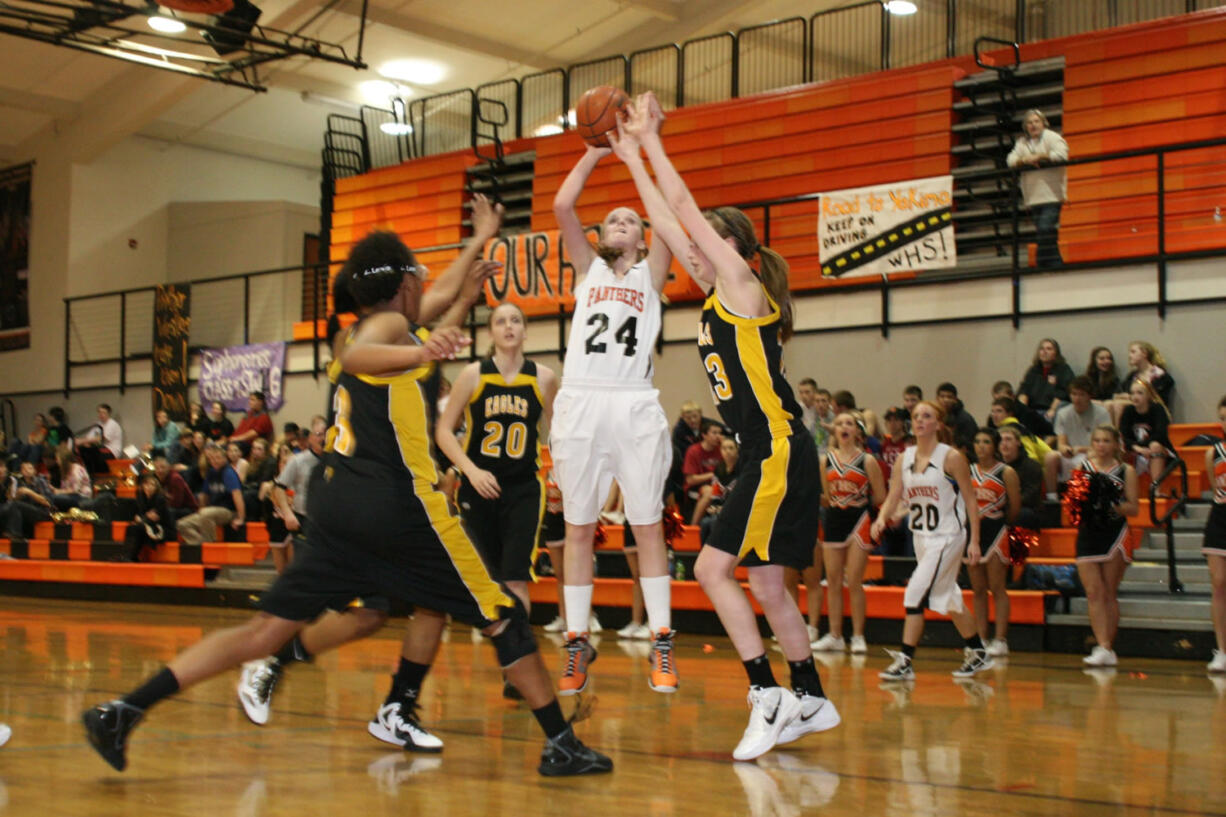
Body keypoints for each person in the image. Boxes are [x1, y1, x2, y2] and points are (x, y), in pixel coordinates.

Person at [83, 228, 611, 777]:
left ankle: (124, 709)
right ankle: (560, 743)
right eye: (418, 277)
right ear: (404, 283)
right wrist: (446, 316)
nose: (426, 287)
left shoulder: (382, 325)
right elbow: (376, 349)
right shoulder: (389, 330)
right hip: (399, 507)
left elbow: (420, 319)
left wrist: (470, 270)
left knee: (276, 629)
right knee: (505, 617)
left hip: (339, 508)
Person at [625, 91, 839, 759]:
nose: (694, 245)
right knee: (768, 584)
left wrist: (654, 138)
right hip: (770, 452)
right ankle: (808, 693)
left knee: (713, 569)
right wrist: (630, 154)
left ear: (734, 246)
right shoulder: (719, 293)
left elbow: (683, 208)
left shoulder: (745, 286)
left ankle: (765, 693)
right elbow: (667, 219)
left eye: (707, 239)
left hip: (776, 448)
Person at [549, 107, 682, 698]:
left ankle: (661, 641)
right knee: (578, 529)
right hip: (580, 403)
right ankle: (577, 643)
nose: (620, 222)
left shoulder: (652, 275)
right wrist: (596, 148)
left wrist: (639, 152)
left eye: (630, 219)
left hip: (632, 403)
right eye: (613, 219)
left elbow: (667, 216)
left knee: (648, 526)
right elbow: (561, 206)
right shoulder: (586, 268)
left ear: (643, 236)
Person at [435, 302, 558, 627]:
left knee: (516, 578)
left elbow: (561, 432)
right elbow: (443, 430)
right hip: (478, 488)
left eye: (515, 320)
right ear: (491, 331)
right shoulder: (473, 374)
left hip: (524, 489)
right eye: (501, 321)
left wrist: (563, 473)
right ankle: (505, 649)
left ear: (525, 330)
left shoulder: (543, 378)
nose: (508, 326)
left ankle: (517, 666)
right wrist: (470, 470)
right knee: (486, 580)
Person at [871, 401, 990, 681]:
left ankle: (905, 661)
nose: (920, 420)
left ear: (938, 423)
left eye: (927, 416)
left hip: (948, 536)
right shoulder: (905, 457)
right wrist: (881, 518)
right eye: (916, 416)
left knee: (914, 593)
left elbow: (972, 502)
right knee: (948, 596)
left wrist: (975, 541)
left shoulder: (951, 457)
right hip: (922, 538)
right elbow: (894, 494)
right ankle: (978, 651)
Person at [812, 413, 885, 655]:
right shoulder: (826, 460)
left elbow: (881, 497)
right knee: (832, 581)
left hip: (859, 521)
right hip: (833, 521)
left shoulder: (868, 461)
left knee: (853, 581)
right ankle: (835, 636)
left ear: (857, 431)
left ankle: (857, 636)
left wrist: (867, 515)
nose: (844, 427)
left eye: (849, 424)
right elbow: (826, 497)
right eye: (840, 423)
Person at [1073, 425, 1138, 667]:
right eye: (1097, 441)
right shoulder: (1083, 468)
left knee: (1108, 592)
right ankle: (1103, 647)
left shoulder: (1125, 470)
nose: (1101, 445)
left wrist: (1110, 504)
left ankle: (1106, 646)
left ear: (1115, 444)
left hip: (1114, 533)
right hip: (1088, 533)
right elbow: (1075, 506)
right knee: (1093, 592)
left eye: (1106, 441)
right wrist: (1085, 503)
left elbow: (1134, 508)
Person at [966, 428, 1021, 658]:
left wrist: (1003, 523)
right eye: (977, 441)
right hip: (972, 533)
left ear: (995, 445)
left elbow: (1015, 507)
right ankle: (981, 637)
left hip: (997, 531)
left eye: (986, 442)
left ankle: (1000, 639)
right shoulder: (967, 471)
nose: (981, 446)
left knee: (997, 588)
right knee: (977, 589)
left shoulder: (1006, 472)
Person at [1006, 108, 1068, 268]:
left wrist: (1041, 157)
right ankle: (1055, 264)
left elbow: (1061, 155)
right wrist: (1024, 160)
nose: (1033, 125)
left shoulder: (1053, 138)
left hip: (1052, 195)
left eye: (1036, 121)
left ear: (1043, 123)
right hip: (1033, 196)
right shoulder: (1022, 143)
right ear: (1025, 126)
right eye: (1029, 123)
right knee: (1045, 232)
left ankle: (1043, 264)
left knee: (1045, 229)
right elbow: (1011, 160)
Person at [267, 418, 326, 574]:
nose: (322, 438)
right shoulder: (298, 461)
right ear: (311, 438)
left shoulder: (336, 461)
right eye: (319, 434)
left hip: (327, 522)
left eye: (326, 434)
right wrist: (287, 514)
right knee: (302, 565)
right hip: (303, 519)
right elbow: (279, 488)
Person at [1043, 376, 1111, 498]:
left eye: (1081, 395)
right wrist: (1066, 450)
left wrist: (1080, 449)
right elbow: (1061, 444)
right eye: (1074, 394)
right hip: (1072, 455)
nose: (1077, 399)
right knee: (1050, 456)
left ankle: (1085, 496)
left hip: (1092, 454)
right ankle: (1052, 498)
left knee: (1091, 457)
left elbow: (1104, 444)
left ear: (1089, 396)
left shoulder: (1101, 413)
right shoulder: (1063, 413)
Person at [175, 442, 245, 547]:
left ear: (225, 458)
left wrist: (241, 517)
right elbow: (204, 494)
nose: (214, 461)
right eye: (212, 459)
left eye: (217, 458)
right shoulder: (211, 472)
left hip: (229, 511)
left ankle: (210, 545)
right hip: (212, 510)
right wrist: (200, 510)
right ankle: (200, 545)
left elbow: (237, 495)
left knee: (206, 513)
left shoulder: (228, 473)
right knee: (182, 524)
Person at [1202, 396, 1226, 673]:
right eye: (1223, 417)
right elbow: (1214, 487)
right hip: (1220, 519)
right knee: (1219, 583)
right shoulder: (1214, 452)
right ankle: (1221, 650)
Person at [1119, 380, 1172, 485]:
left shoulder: (1157, 409)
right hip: (1136, 451)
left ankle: (1156, 489)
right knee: (1118, 448)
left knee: (1155, 445)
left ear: (1148, 395)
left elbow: (1160, 435)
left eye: (1139, 393)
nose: (1135, 396)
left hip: (1159, 451)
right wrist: (1138, 448)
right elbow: (1123, 436)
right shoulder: (1128, 410)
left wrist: (1142, 448)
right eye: (1132, 393)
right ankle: (1119, 488)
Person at [1111, 341, 1176, 425]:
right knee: (1108, 404)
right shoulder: (1132, 376)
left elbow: (1155, 398)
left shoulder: (1160, 375)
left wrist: (1130, 396)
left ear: (1144, 353)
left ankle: (1119, 435)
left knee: (1118, 405)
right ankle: (1109, 433)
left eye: (1133, 352)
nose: (1130, 356)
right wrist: (1122, 396)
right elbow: (1119, 393)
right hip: (1133, 406)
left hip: (1152, 409)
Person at [1017, 338, 1074, 419]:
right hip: (1032, 410)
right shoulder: (1033, 370)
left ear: (1056, 353)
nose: (1044, 352)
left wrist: (1052, 409)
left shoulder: (1063, 370)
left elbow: (1063, 392)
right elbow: (1024, 389)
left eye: (1049, 349)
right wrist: (1023, 410)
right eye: (1042, 349)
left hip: (1051, 410)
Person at [998, 425, 1043, 526]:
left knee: (1021, 514)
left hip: (1027, 508)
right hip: (1000, 507)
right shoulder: (994, 466)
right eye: (1001, 440)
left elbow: (1031, 495)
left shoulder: (1032, 465)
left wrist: (1008, 505)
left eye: (1008, 439)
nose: (1004, 444)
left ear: (1018, 442)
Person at [123, 472, 173, 562]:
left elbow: (153, 518)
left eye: (152, 484)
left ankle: (130, 556)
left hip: (162, 529)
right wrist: (144, 518)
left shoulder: (160, 499)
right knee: (131, 527)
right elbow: (139, 516)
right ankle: (129, 555)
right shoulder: (141, 498)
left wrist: (142, 518)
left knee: (137, 528)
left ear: (156, 487)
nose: (149, 487)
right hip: (148, 526)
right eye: (146, 484)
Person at [682, 420, 725, 522]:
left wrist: (725, 445)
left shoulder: (722, 449)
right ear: (704, 435)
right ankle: (694, 526)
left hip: (719, 483)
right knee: (709, 491)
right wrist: (711, 475)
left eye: (720, 433)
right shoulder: (693, 451)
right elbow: (690, 480)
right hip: (698, 485)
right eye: (714, 433)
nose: (718, 436)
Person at [75, 403, 123, 474]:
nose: (101, 414)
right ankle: (87, 474)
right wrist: (83, 442)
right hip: (100, 448)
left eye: (103, 413)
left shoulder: (112, 424)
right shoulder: (98, 424)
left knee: (89, 452)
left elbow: (101, 438)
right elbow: (89, 437)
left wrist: (81, 441)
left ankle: (90, 475)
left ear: (108, 414)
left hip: (111, 450)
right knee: (82, 450)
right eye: (99, 412)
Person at [936, 382, 977, 454]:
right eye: (942, 396)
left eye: (949, 397)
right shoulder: (935, 416)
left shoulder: (965, 419)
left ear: (955, 399)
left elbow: (968, 445)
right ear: (937, 399)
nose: (945, 400)